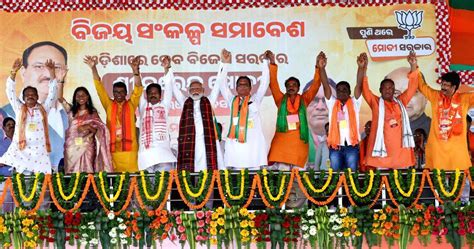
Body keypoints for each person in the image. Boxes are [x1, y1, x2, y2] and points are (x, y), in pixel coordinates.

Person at [0, 41, 69, 171]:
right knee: (14, 174)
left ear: (37, 97)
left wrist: (52, 72)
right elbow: (10, 91)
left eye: (33, 95)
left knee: (41, 183)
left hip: (39, 153)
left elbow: (53, 91)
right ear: (24, 98)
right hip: (22, 150)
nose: (30, 97)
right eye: (28, 95)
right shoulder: (19, 108)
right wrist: (13, 73)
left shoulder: (43, 109)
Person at [359, 51, 418, 169]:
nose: (388, 90)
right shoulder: (375, 103)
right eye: (385, 88)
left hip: (400, 153)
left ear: (394, 90)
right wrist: (363, 69)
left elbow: (412, 87)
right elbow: (364, 89)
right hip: (381, 152)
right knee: (381, 183)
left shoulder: (401, 101)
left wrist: (413, 65)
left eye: (391, 88)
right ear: (380, 90)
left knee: (399, 184)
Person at [84, 55, 143, 172]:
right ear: (113, 93)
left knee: (132, 182)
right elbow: (99, 88)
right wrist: (93, 68)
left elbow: (138, 88)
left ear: (126, 92)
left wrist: (135, 71)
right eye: (116, 92)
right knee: (115, 184)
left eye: (121, 92)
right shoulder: (109, 105)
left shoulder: (131, 104)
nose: (119, 94)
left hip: (129, 151)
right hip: (112, 150)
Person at [266, 50, 322, 168]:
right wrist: (272, 63)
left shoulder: (304, 99)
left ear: (298, 88)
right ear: (285, 88)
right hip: (282, 144)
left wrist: (318, 67)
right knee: (283, 180)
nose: (291, 87)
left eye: (294, 85)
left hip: (299, 144)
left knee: (298, 179)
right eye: (289, 85)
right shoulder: (280, 100)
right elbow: (273, 84)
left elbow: (315, 86)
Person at [417, 59, 474, 171]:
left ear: (454, 87)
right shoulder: (435, 96)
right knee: (438, 182)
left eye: (446, 85)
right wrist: (414, 66)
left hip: (457, 151)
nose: (443, 87)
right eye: (442, 84)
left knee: (458, 182)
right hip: (438, 149)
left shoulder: (464, 99)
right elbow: (422, 86)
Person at [172, 52, 225, 171]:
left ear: (203, 90)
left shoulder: (209, 101)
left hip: (207, 142)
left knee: (208, 172)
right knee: (190, 173)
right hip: (190, 144)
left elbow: (217, 84)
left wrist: (223, 63)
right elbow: (174, 88)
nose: (195, 91)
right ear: (189, 91)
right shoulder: (185, 102)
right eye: (192, 89)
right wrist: (167, 69)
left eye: (198, 88)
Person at [219, 49, 270, 170]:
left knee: (254, 182)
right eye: (240, 84)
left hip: (253, 148)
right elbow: (222, 84)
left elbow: (264, 83)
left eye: (245, 84)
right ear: (236, 88)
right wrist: (224, 64)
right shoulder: (232, 100)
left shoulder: (256, 99)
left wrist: (265, 62)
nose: (242, 86)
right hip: (236, 148)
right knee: (236, 181)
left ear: (250, 87)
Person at [323, 54, 363, 171]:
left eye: (345, 90)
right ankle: (338, 190)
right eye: (339, 90)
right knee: (336, 175)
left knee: (351, 175)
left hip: (352, 146)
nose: (341, 92)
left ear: (349, 91)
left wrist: (360, 68)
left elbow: (359, 85)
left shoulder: (355, 103)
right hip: (336, 147)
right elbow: (326, 86)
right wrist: (322, 68)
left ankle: (349, 190)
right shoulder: (332, 103)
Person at [60, 85, 112, 173]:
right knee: (72, 174)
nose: (81, 97)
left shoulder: (92, 113)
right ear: (75, 98)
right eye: (78, 95)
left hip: (88, 146)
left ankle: (89, 186)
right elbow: (60, 99)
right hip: (72, 148)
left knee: (88, 171)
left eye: (83, 95)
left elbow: (98, 130)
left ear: (87, 97)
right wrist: (60, 81)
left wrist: (87, 127)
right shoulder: (71, 111)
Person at [138, 56, 176, 172]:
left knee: (164, 188)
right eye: (150, 93)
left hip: (163, 155)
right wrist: (136, 71)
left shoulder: (164, 106)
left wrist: (167, 68)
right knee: (147, 189)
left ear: (160, 95)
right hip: (146, 157)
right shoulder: (143, 106)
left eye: (155, 93)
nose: (153, 95)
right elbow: (138, 89)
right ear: (146, 95)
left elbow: (169, 87)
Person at [387, 67, 431, 135]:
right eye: (395, 93)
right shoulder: (374, 132)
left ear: (426, 95)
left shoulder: (441, 132)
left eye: (412, 92)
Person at [0, 117, 15, 212]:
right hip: (4, 179)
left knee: (19, 207)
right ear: (4, 128)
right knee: (5, 205)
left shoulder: (20, 142)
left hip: (20, 179)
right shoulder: (0, 143)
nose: (11, 127)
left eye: (13, 125)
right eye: (8, 125)